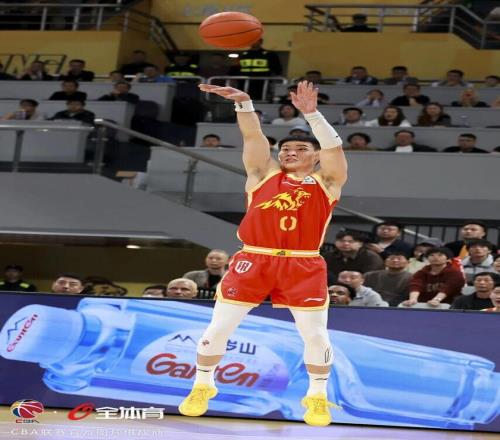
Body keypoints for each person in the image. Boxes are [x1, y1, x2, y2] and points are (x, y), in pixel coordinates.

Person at [179, 80, 348, 426]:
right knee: (219, 327)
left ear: (315, 155)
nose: (289, 152)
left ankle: (317, 395)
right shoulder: (262, 174)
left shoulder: (326, 181)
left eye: (300, 148)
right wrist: (244, 104)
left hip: (302, 262)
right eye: (285, 148)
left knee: (315, 334)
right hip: (254, 258)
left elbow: (334, 147)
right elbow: (253, 137)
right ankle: (202, 385)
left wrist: (313, 115)